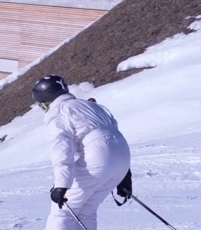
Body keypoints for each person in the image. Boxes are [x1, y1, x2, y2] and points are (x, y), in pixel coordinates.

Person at [33, 74, 133, 230]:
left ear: (47, 102)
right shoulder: (92, 106)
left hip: (98, 157)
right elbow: (113, 138)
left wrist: (61, 185)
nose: (44, 110)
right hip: (122, 156)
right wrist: (125, 176)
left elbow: (61, 149)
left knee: (62, 212)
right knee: (87, 210)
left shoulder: (58, 111)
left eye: (43, 106)